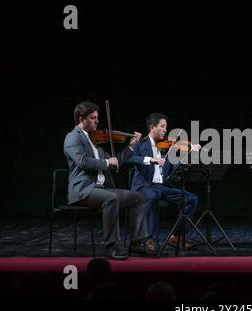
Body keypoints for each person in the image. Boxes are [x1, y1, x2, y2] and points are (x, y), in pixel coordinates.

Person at [63, 101, 151, 259]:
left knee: (138, 198)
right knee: (111, 198)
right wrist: (106, 162)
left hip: (101, 189)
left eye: (97, 117)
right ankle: (111, 246)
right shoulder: (72, 137)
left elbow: (114, 162)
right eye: (93, 118)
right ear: (82, 119)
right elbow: (83, 162)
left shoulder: (93, 142)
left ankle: (136, 244)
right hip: (83, 190)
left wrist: (131, 147)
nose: (97, 121)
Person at [125, 113, 200, 250]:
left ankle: (177, 237)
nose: (166, 130)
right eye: (162, 126)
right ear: (153, 128)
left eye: (166, 127)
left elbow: (175, 170)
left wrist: (191, 154)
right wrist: (150, 159)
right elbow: (128, 158)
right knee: (153, 196)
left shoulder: (167, 147)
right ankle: (147, 239)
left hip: (162, 187)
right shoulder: (141, 144)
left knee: (191, 199)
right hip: (144, 187)